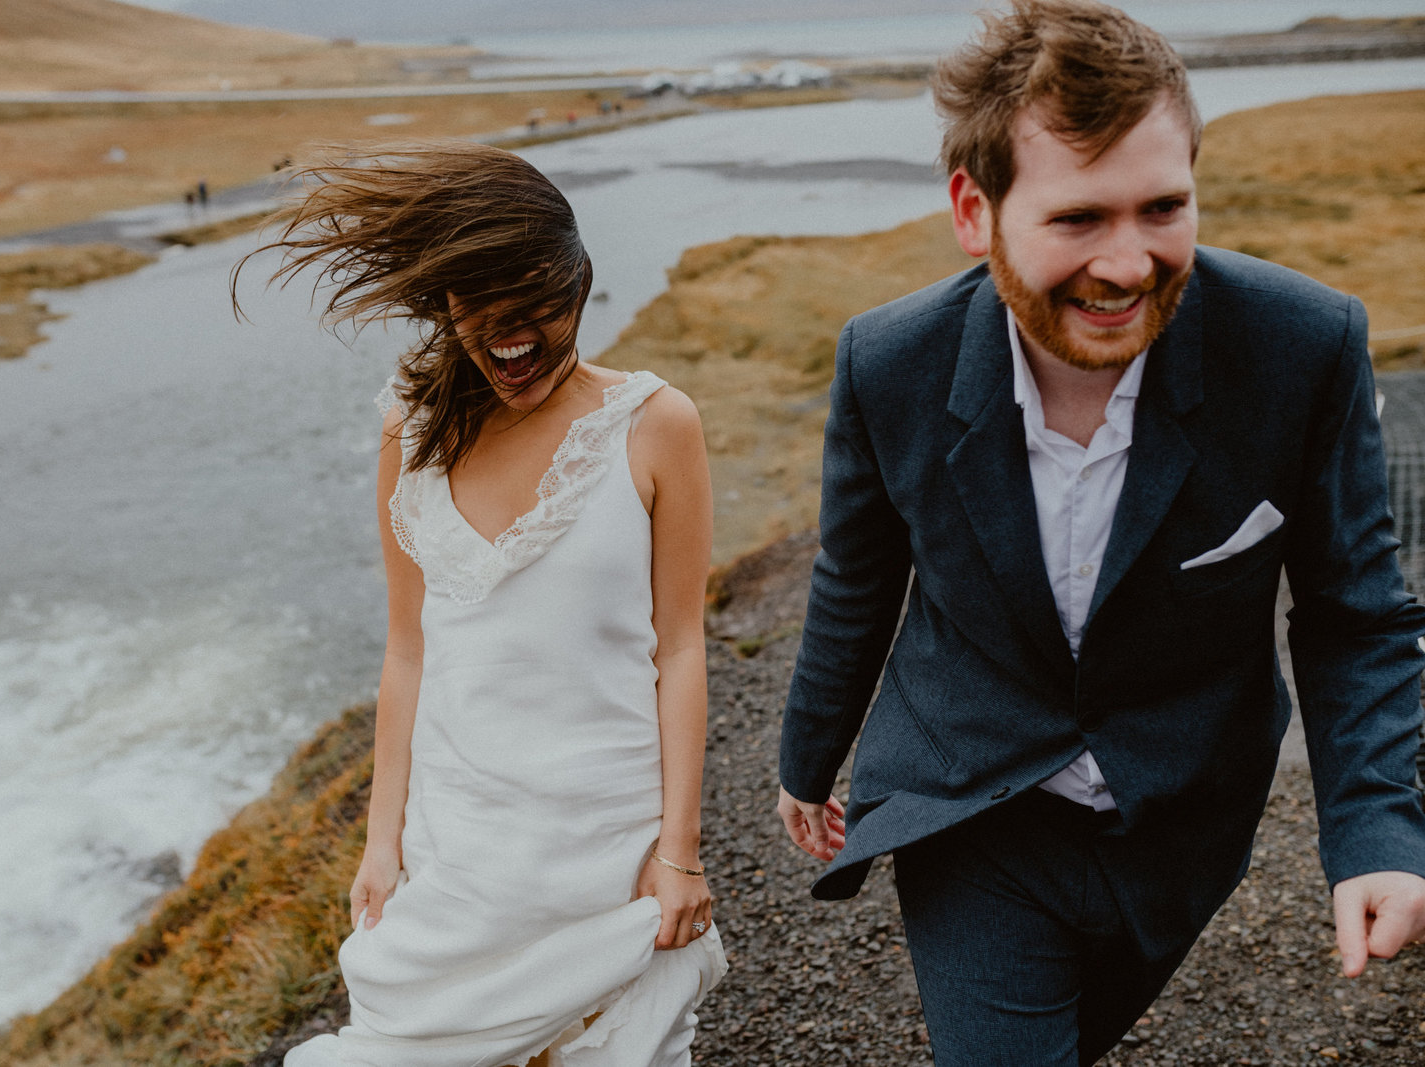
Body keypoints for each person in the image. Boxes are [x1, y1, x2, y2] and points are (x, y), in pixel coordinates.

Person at [774, 2, 1425, 1063]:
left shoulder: (1302, 344)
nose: (1129, 265)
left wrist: (1378, 833)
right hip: (969, 802)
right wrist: (806, 761)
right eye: (1079, 218)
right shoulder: (888, 364)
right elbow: (856, 574)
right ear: (972, 212)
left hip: (1179, 815)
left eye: (1162, 207)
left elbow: (1355, 612)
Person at [241, 142, 726, 1066]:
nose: (512, 340)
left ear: (581, 286)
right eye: (480, 309)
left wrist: (680, 849)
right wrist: (381, 843)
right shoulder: (409, 431)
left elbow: (684, 646)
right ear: (445, 305)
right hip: (459, 853)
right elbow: (406, 653)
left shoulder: (657, 424)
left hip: (605, 850)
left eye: (536, 307)